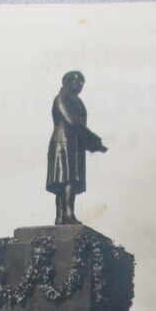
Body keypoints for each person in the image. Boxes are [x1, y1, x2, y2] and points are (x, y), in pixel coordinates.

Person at [46, 71, 107, 225]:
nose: (80, 85)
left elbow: (79, 125)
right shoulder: (61, 98)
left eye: (82, 82)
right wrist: (94, 140)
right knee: (67, 180)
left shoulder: (78, 101)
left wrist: (93, 144)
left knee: (68, 180)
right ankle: (66, 214)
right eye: (77, 81)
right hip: (63, 142)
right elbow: (71, 121)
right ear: (67, 82)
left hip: (75, 144)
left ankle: (63, 215)